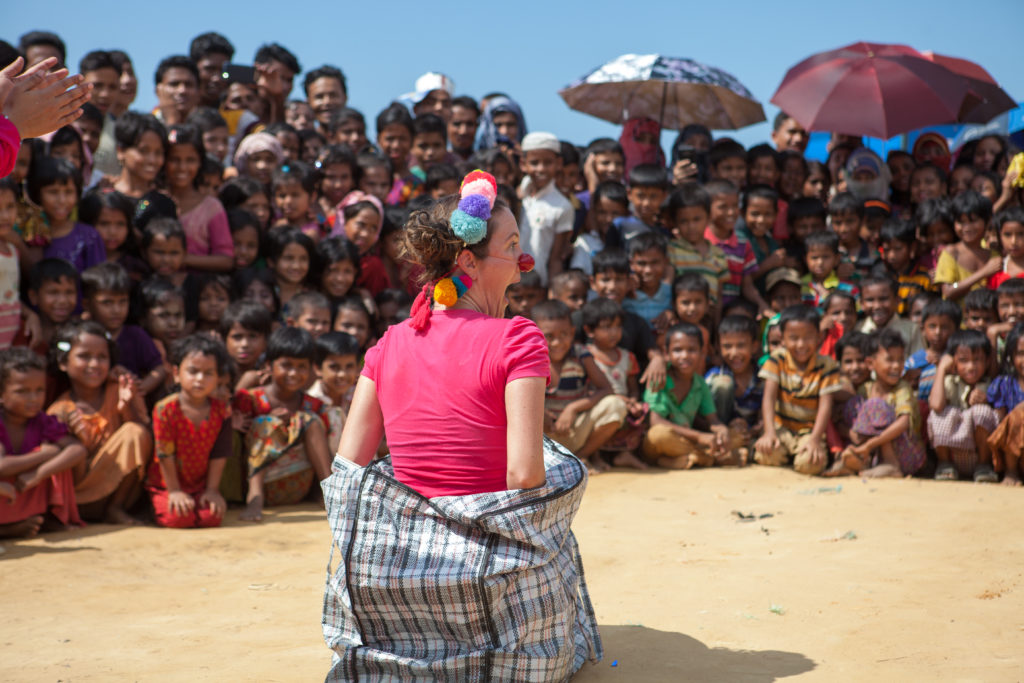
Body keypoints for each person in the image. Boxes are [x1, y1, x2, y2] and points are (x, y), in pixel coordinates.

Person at [323, 170, 601, 678]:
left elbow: (347, 471)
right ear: (468, 260)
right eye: (513, 248)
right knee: (563, 467)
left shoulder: (388, 343)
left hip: (400, 580)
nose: (523, 266)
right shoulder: (519, 338)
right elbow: (523, 478)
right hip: (490, 587)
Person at [47, 320, 152, 524]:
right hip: (79, 499)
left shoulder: (119, 391)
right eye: (84, 357)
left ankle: (116, 508)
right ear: (63, 363)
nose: (94, 365)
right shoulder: (60, 409)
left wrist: (127, 407)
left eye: (102, 357)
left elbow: (145, 439)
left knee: (135, 431)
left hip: (120, 493)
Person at [235, 327, 331, 522]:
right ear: (269, 365)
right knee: (265, 423)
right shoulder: (250, 399)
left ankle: (329, 493)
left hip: (298, 485)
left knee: (311, 421)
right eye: (286, 365)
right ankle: (255, 499)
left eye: (301, 366)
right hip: (259, 482)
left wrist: (296, 424)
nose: (294, 373)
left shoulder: (313, 405)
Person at [146, 334, 232, 528]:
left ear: (218, 378)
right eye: (193, 371)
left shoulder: (222, 410)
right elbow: (165, 453)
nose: (200, 379)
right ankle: (154, 504)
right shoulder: (165, 409)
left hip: (200, 486)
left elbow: (220, 452)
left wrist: (212, 490)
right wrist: (174, 491)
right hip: (167, 484)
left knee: (212, 518)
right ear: (176, 373)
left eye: (208, 373)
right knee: (178, 518)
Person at [0, 346, 86, 538]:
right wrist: (44, 454)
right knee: (51, 452)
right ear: (1, 395)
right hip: (5, 493)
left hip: (21, 491)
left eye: (40, 390)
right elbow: (1, 466)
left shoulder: (42, 421)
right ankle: (7, 530)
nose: (34, 398)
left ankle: (49, 519)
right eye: (22, 391)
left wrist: (38, 474)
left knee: (60, 463)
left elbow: (77, 450)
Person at [642, 322, 746, 468]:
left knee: (735, 436)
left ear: (702, 352)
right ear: (666, 353)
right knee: (658, 435)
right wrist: (699, 436)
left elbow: (713, 420)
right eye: (677, 350)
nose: (684, 356)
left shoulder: (699, 383)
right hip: (660, 443)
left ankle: (686, 459)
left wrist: (721, 431)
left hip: (684, 442)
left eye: (692, 350)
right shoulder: (659, 378)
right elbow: (655, 421)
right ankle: (709, 458)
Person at [755, 305, 841, 475]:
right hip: (782, 428)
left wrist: (815, 440)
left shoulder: (826, 365)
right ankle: (785, 453)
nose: (801, 344)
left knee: (810, 464)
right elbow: (769, 398)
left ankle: (797, 456)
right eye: (793, 338)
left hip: (808, 431)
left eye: (808, 337)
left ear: (819, 337)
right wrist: (770, 432)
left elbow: (825, 407)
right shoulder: (777, 359)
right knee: (766, 455)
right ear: (783, 338)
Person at [829, 329, 925, 478]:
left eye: (900, 360)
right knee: (853, 404)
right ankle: (860, 460)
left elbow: (903, 423)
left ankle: (891, 465)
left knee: (875, 405)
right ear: (870, 363)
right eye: (890, 360)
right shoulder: (865, 389)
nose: (896, 366)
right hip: (874, 452)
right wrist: (853, 434)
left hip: (907, 454)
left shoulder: (902, 388)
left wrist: (869, 445)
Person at [927, 330, 999, 482]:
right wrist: (941, 369)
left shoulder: (990, 384)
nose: (971, 366)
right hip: (954, 457)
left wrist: (985, 401)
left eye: (977, 360)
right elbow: (935, 405)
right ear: (953, 362)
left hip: (977, 457)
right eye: (964, 360)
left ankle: (984, 466)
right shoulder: (950, 382)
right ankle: (944, 463)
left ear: (987, 362)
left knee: (983, 412)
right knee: (940, 413)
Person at [518, 131, 573, 285]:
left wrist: (552, 291)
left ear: (559, 163)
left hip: (537, 285)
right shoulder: (516, 197)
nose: (541, 169)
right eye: (534, 163)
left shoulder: (562, 206)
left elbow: (555, 258)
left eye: (548, 163)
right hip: (507, 283)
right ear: (523, 164)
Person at [153, 56, 199, 126]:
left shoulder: (211, 128)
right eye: (174, 84)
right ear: (158, 90)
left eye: (188, 84)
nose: (182, 90)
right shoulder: (143, 127)